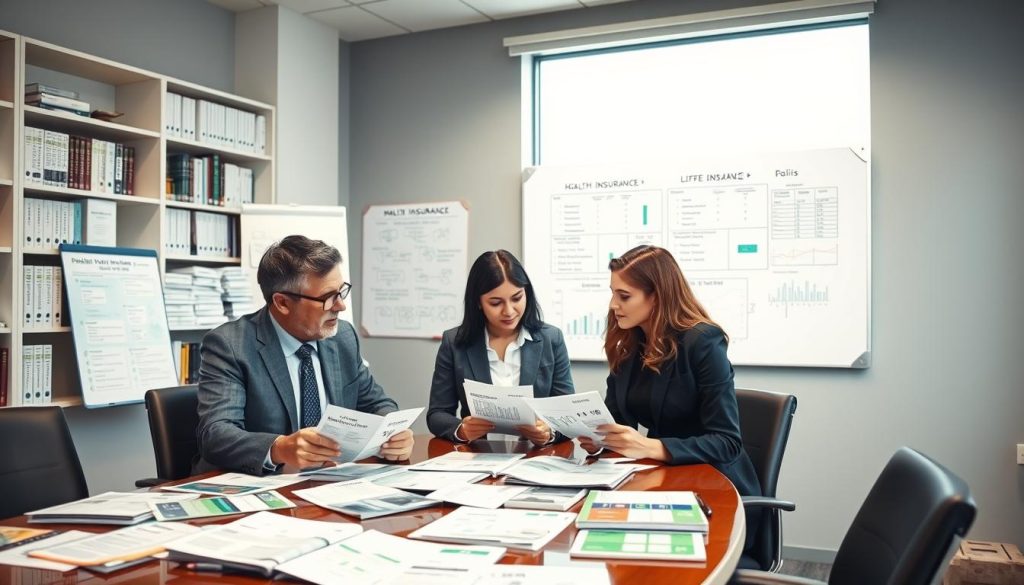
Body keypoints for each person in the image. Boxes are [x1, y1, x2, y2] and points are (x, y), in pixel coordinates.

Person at [194, 235, 413, 475]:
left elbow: (376, 402)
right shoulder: (230, 345)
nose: (341, 306)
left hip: (329, 481)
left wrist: (393, 431)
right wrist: (279, 448)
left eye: (341, 292)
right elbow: (216, 434)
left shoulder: (342, 336)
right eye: (328, 297)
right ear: (283, 303)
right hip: (258, 485)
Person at [579, 245, 760, 501]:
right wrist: (602, 440)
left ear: (657, 296)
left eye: (624, 296)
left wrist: (651, 446)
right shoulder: (630, 345)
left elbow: (727, 443)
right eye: (613, 294)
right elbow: (617, 420)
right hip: (662, 478)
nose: (613, 305)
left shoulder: (703, 342)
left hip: (715, 484)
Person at [427, 250, 574, 446]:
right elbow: (437, 414)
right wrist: (461, 430)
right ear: (478, 302)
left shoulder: (550, 339)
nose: (509, 311)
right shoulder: (454, 342)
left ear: (526, 293)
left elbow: (568, 414)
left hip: (536, 458)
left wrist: (549, 432)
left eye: (517, 298)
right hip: (478, 458)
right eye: (496, 303)